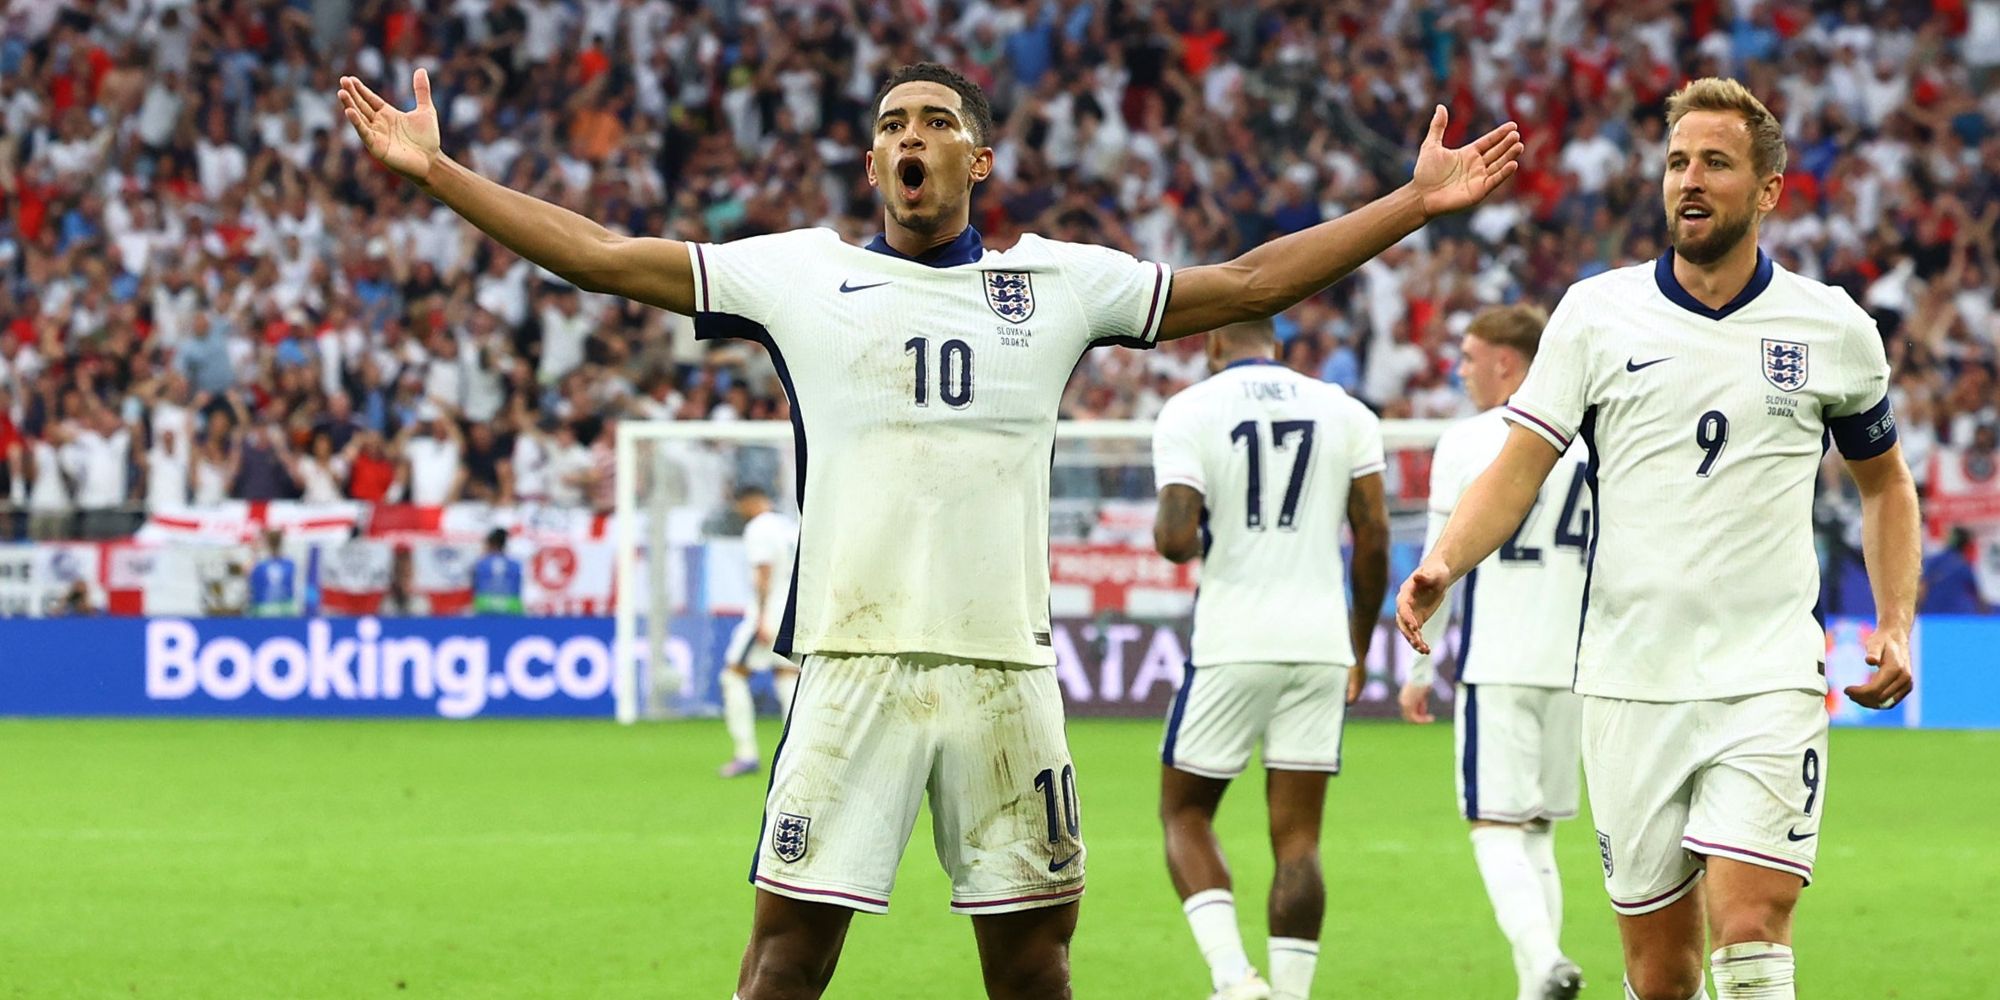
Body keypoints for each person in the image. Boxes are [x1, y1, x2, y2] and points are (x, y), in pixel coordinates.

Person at [340, 61, 1520, 1000]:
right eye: (893, 123)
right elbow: (600, 258)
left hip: (1006, 675)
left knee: (1032, 969)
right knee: (784, 966)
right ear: (872, 162)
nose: (911, 136)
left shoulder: (1057, 284)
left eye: (934, 120)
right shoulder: (795, 276)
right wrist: (438, 172)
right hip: (850, 670)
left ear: (976, 157)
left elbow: (1253, 282)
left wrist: (1414, 202)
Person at [1396, 79, 1917, 1000]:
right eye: (1678, 161)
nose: (1690, 179)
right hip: (1628, 682)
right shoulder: (1596, 315)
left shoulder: (1832, 326)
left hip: (1768, 676)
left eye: (1716, 162)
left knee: (1753, 932)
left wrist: (1895, 619)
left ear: (1768, 191)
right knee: (1660, 973)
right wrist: (1445, 560)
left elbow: (1885, 482)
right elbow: (1519, 465)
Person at [1148, 319, 1389, 1000]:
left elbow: (1173, 536)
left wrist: (1208, 534)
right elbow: (1372, 538)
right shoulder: (1344, 410)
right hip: (1319, 643)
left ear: (1214, 344)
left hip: (1234, 638)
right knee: (1299, 840)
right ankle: (1289, 994)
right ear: (1278, 344)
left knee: (1185, 813)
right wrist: (1359, 644)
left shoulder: (1191, 410)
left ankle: (1233, 977)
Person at [1399, 305, 1591, 1000]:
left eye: (1470, 355)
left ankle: (1543, 961)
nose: (1460, 367)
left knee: (1492, 825)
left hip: (1497, 658)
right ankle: (1536, 984)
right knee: (1536, 832)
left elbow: (1437, 564)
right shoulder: (1590, 442)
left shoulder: (1471, 440)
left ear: (1508, 363)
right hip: (1574, 665)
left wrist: (1420, 669)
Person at [718, 484, 802, 778]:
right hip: (793, 613)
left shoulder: (758, 528)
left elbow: (763, 573)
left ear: (748, 502)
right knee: (787, 678)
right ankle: (798, 754)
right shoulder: (789, 526)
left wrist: (763, 616)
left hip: (768, 613)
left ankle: (746, 753)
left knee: (732, 675)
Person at [471, 527, 524, 615]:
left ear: (491, 544)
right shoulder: (516, 565)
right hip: (511, 608)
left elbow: (475, 587)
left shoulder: (480, 564)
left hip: (485, 607)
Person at [247, 529, 298, 618]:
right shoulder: (290, 564)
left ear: (266, 544)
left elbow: (248, 576)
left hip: (264, 611)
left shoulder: (260, 566)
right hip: (286, 611)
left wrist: (254, 553)